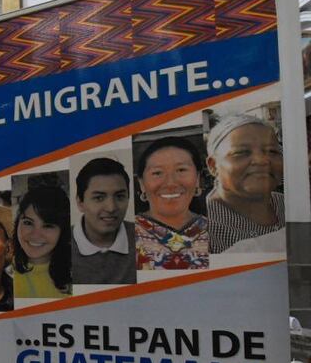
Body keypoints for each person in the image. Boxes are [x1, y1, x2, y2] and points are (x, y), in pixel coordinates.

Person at [205, 114, 284, 253]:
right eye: (241, 152)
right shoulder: (199, 229)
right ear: (213, 166)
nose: (261, 160)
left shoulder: (290, 206)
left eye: (272, 151)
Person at [135, 136, 209, 269]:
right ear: (141, 184)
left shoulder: (218, 233)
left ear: (197, 178)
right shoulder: (124, 237)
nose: (170, 183)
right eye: (157, 173)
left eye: (181, 170)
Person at [72, 158, 136, 284]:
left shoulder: (146, 240)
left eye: (119, 196)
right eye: (99, 198)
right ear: (80, 202)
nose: (111, 207)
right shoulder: (60, 244)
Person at [12, 187, 71, 297]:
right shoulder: (3, 270)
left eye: (48, 226)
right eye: (28, 223)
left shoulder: (77, 274)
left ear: (63, 231)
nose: (35, 234)